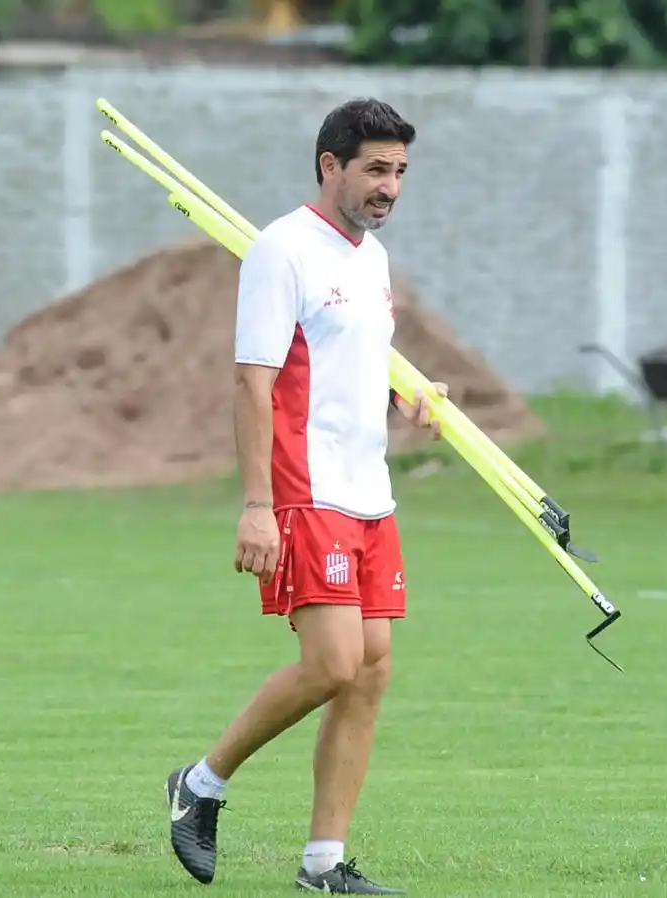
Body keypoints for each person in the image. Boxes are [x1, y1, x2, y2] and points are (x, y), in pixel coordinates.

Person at [164, 98, 447, 894]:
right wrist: (258, 505)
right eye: (375, 170)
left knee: (371, 671)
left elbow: (351, 366)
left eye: (399, 173)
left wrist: (407, 402)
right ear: (331, 166)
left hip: (370, 493)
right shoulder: (281, 250)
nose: (389, 187)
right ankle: (202, 783)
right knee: (331, 662)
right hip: (303, 489)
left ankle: (323, 864)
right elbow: (254, 382)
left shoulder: (372, 261)